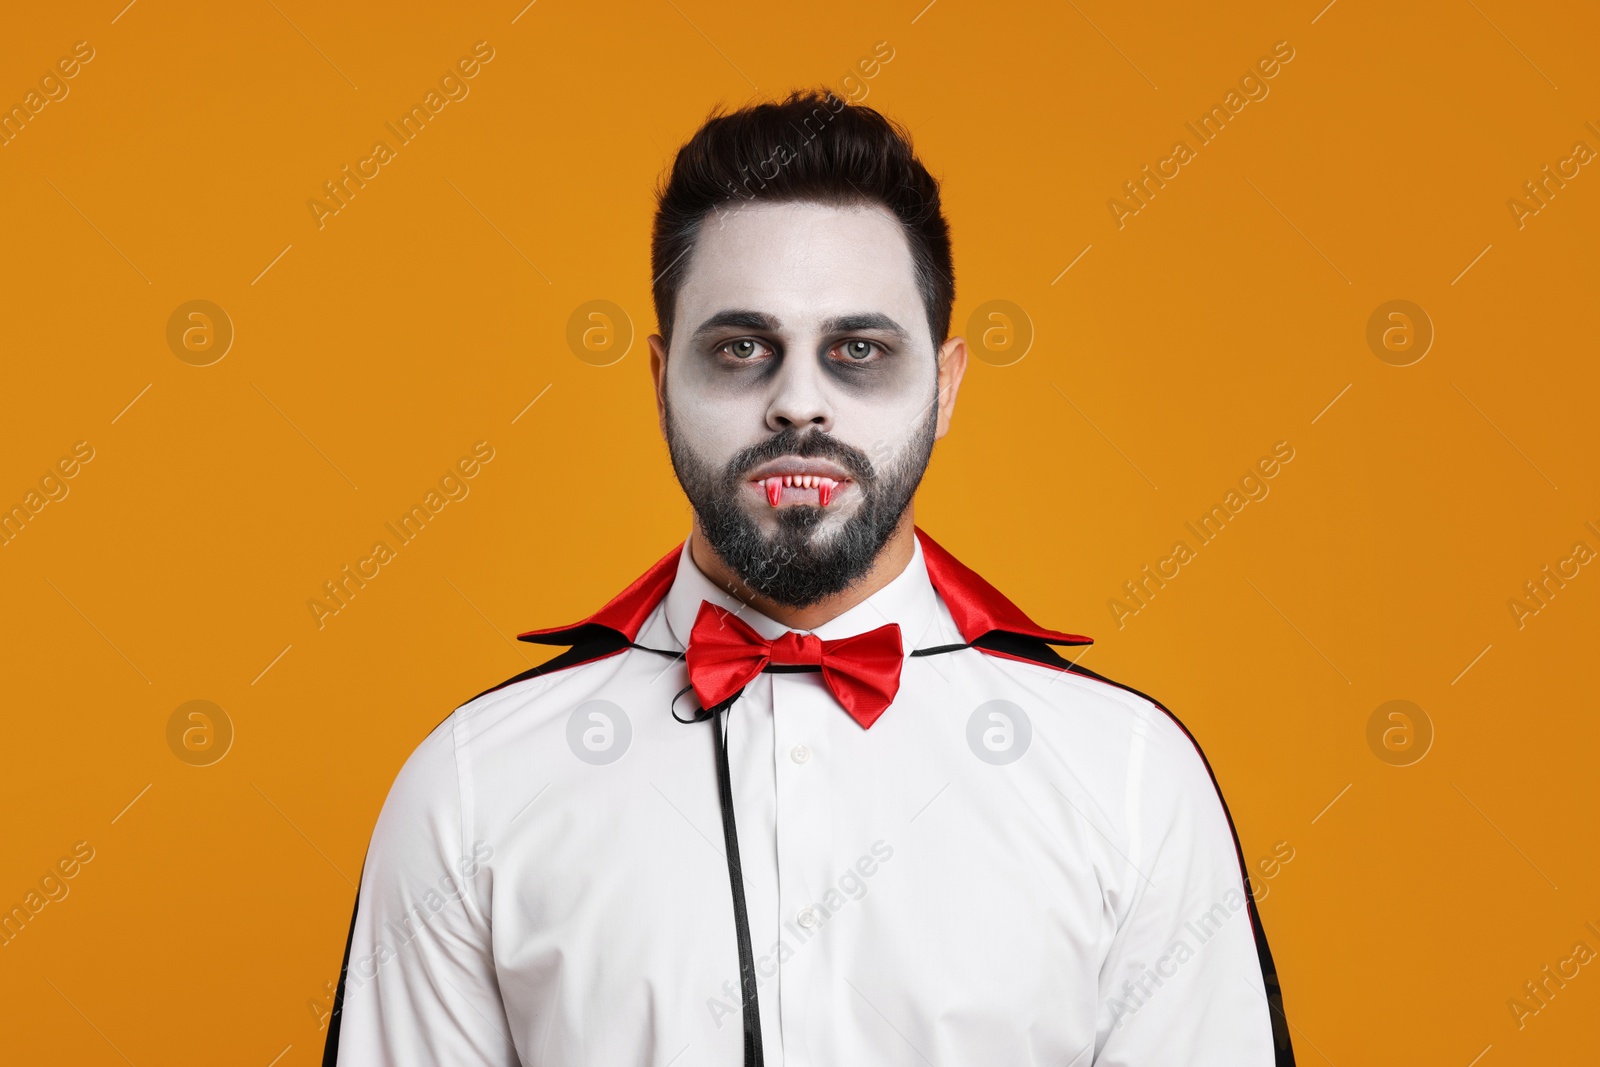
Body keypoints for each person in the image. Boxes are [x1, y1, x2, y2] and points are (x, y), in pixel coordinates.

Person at [323, 87, 1294, 1066]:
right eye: (741, 348)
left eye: (857, 350)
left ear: (946, 384)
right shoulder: (475, 785)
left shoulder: (1127, 777)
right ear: (660, 382)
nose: (797, 403)